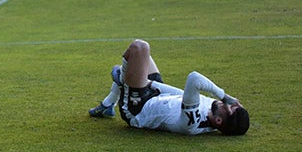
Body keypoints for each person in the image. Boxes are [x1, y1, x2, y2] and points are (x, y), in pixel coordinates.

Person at [88, 39, 250, 137]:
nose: (224, 104)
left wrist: (224, 95)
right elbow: (181, 94)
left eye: (227, 108)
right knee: (140, 54)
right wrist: (151, 83)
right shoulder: (214, 111)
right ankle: (111, 100)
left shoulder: (192, 123)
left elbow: (194, 79)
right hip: (155, 94)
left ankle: (121, 84)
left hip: (138, 109)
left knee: (139, 48)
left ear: (219, 121)